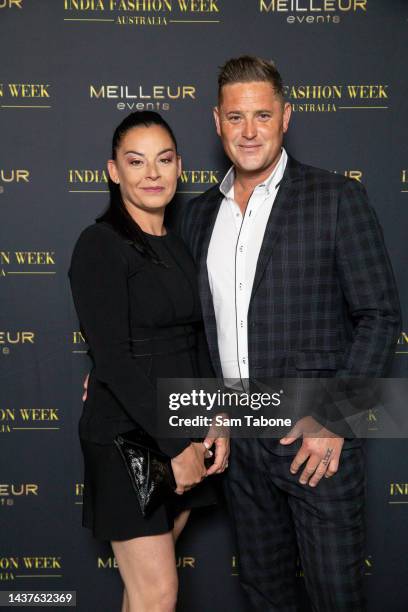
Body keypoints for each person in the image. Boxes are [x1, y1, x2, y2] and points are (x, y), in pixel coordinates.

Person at [178, 56, 401, 611]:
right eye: (236, 117)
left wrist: (336, 418)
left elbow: (380, 315)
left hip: (313, 441)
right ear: (216, 122)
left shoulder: (335, 198)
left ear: (286, 117)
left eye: (262, 115)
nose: (249, 131)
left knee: (335, 596)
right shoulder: (200, 214)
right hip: (240, 443)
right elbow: (189, 325)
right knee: (265, 595)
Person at [69, 111, 229, 612]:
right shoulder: (99, 245)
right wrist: (176, 445)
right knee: (157, 594)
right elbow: (113, 360)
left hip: (181, 425)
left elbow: (196, 340)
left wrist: (216, 421)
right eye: (135, 162)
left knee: (145, 595)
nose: (152, 174)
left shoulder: (178, 246)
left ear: (179, 166)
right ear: (113, 171)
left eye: (163, 160)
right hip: (128, 438)